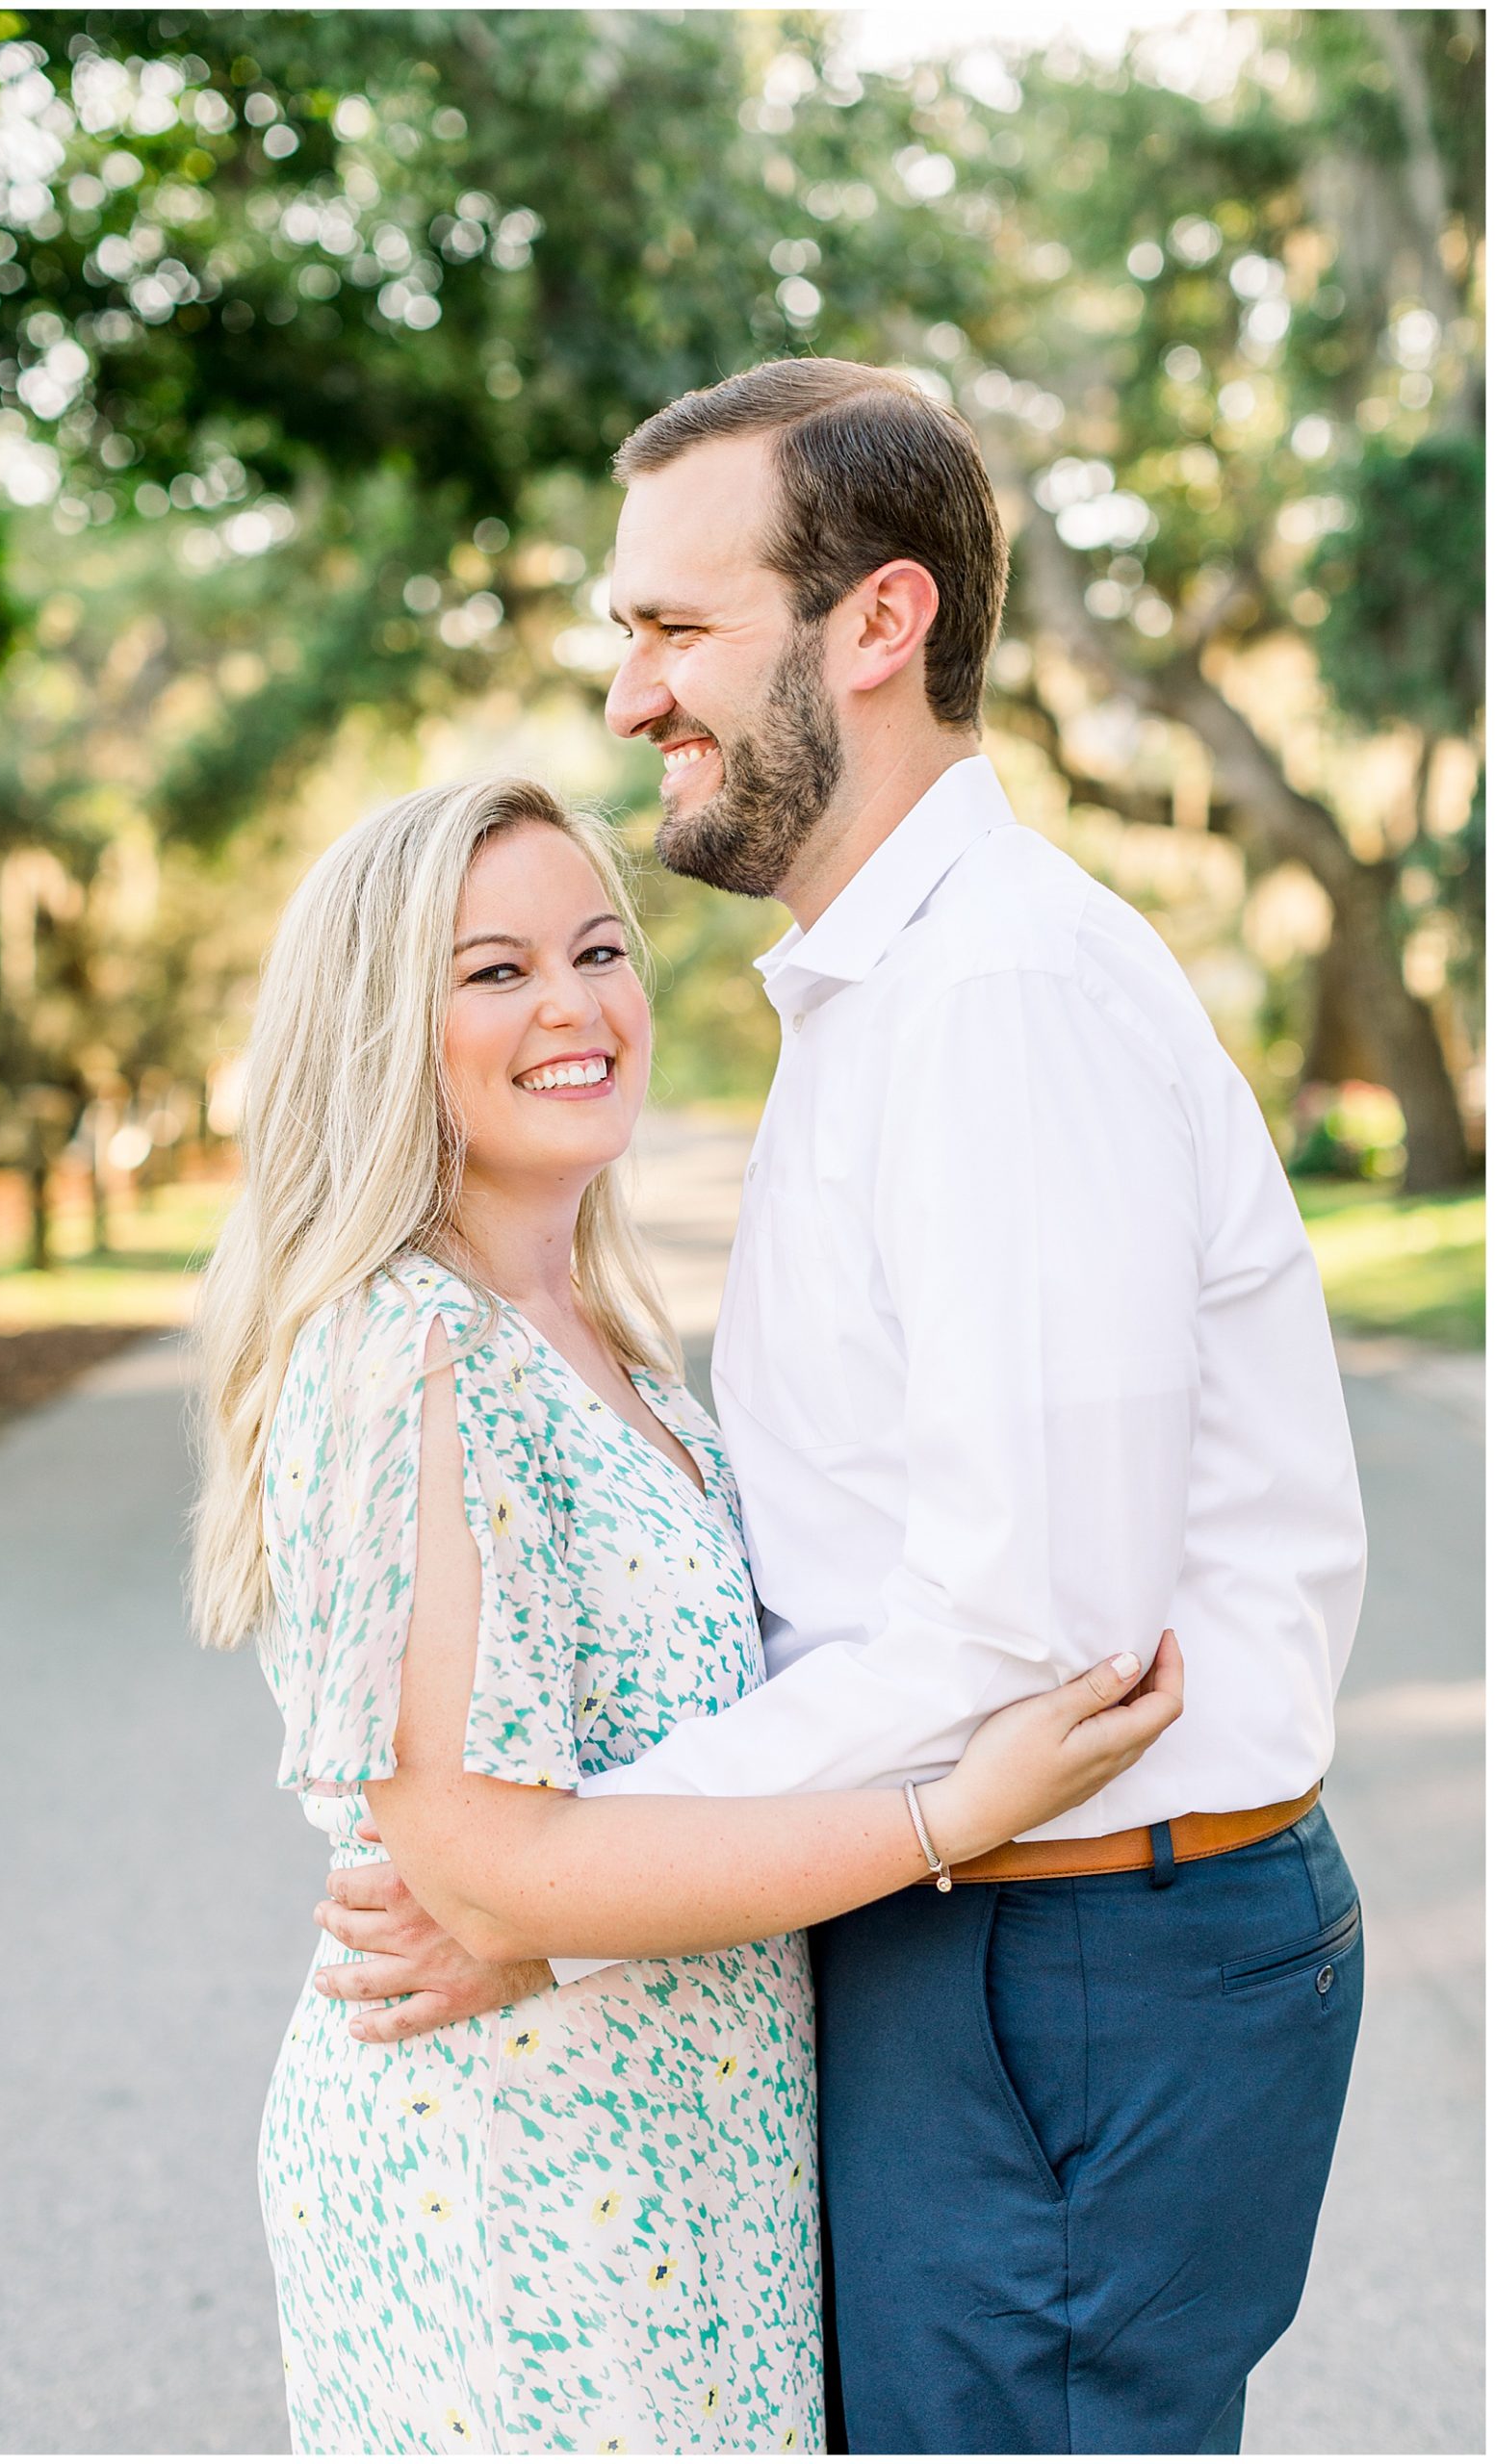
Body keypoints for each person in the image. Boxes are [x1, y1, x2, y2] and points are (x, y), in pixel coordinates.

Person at [314, 363, 1367, 2456]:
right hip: (974, 1931)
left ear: (877, 622)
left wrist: (556, 1880)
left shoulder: (994, 998)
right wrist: (568, 1883)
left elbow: (1024, 1631)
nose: (629, 696)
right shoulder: (884, 998)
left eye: (673, 628)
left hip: (1067, 1954)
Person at [192, 771, 1182, 2454]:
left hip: (683, 2154)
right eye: (493, 970)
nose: (574, 1005)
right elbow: (485, 1871)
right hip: (520, 2184)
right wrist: (952, 1814)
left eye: (598, 950)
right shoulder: (403, 1352)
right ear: (378, 1030)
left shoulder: (612, 1349)